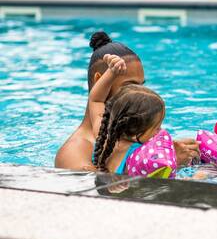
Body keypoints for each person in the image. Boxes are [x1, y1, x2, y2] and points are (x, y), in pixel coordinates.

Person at [54, 31, 202, 171]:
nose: (140, 94)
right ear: (101, 81)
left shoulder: (132, 132)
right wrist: (169, 163)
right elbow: (105, 193)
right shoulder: (74, 153)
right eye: (129, 86)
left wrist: (176, 154)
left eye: (141, 86)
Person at [89, 54, 176, 176]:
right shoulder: (140, 157)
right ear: (136, 133)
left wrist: (111, 72)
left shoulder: (102, 136)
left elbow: (95, 100)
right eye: (156, 128)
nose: (159, 131)